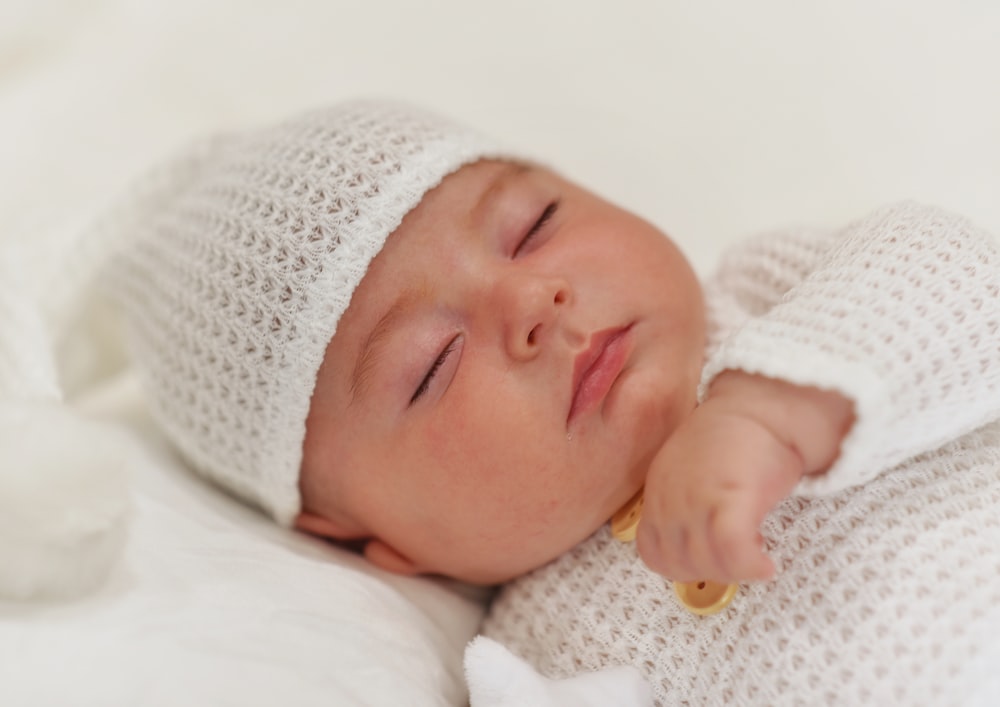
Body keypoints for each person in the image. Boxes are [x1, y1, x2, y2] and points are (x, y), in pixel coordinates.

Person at [105, 100, 1000, 704]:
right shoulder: (527, 657)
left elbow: (960, 279)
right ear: (382, 543)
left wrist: (770, 408)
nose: (532, 302)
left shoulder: (770, 304)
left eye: (533, 226)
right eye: (433, 365)